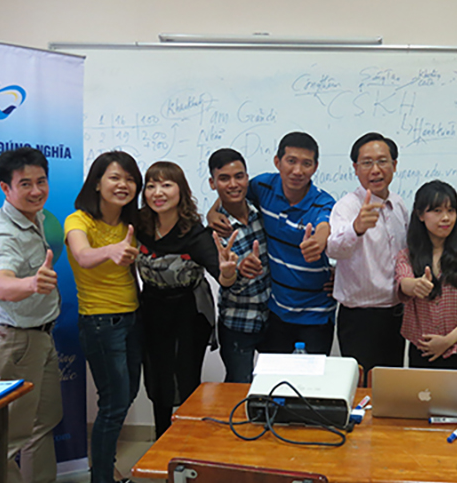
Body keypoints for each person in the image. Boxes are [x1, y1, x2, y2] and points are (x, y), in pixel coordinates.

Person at [0, 147, 82, 483]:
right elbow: (3, 284)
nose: (37, 191)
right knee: (7, 435)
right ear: (5, 188)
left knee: (47, 416)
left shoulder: (31, 217)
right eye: (25, 184)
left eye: (41, 181)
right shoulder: (2, 234)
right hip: (16, 343)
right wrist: (31, 284)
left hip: (40, 336)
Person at [64, 151, 143, 483]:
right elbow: (81, 255)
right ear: (97, 182)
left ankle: (105, 466)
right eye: (115, 177)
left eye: (130, 178)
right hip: (99, 322)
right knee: (113, 403)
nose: (123, 185)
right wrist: (111, 250)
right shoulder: (78, 220)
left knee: (127, 394)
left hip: (132, 318)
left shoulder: (131, 222)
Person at [210, 132, 336, 354]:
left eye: (306, 164)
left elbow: (324, 224)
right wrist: (212, 212)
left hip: (316, 314)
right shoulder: (263, 186)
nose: (297, 171)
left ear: (315, 167)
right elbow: (232, 191)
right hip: (276, 312)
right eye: (291, 161)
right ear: (277, 162)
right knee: (274, 374)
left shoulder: (322, 201)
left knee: (313, 375)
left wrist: (318, 240)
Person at [136, 161, 232, 438]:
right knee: (158, 382)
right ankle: (161, 442)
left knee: (186, 381)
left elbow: (223, 276)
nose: (158, 192)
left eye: (166, 185)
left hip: (188, 314)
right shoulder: (140, 225)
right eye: (151, 185)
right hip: (152, 312)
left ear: (181, 191)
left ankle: (186, 443)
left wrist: (228, 272)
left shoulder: (196, 234)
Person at [327, 133, 408, 383]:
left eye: (382, 161)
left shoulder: (399, 204)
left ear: (394, 165)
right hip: (360, 318)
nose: (375, 170)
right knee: (362, 387)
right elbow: (333, 248)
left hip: (396, 314)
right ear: (355, 168)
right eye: (367, 163)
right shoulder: (347, 206)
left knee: (390, 385)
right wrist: (357, 228)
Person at [396, 180, 457, 370]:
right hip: (423, 351)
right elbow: (403, 282)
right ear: (420, 215)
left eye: (451, 210)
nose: (446, 218)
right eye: (437, 211)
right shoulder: (407, 256)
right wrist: (415, 285)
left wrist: (448, 341)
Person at [208, 149, 271, 383]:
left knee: (275, 387)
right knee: (238, 389)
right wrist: (238, 272)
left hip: (272, 318)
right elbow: (226, 282)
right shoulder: (213, 233)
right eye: (224, 178)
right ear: (212, 183)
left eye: (239, 176)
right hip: (238, 323)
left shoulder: (261, 209)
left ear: (247, 178)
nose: (233, 184)